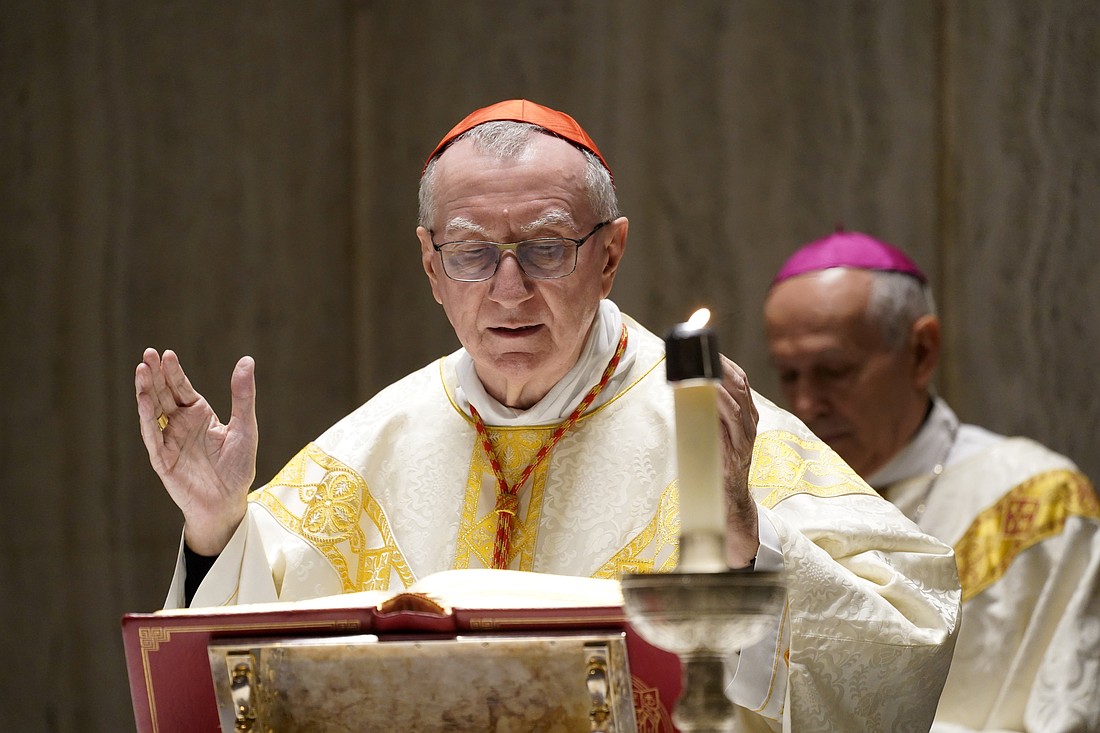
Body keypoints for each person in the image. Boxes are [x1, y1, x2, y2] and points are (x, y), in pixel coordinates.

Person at [136, 100, 960, 730]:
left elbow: (903, 639)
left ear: (609, 254)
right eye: (470, 253)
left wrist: (746, 540)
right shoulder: (374, 442)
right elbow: (229, 682)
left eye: (545, 246)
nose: (507, 290)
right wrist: (217, 527)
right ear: (430, 264)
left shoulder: (710, 430)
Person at [763, 229, 1100, 733]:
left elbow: (1070, 707)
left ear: (921, 352)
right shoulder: (767, 500)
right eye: (789, 375)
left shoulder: (1040, 498)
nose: (806, 404)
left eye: (833, 371)